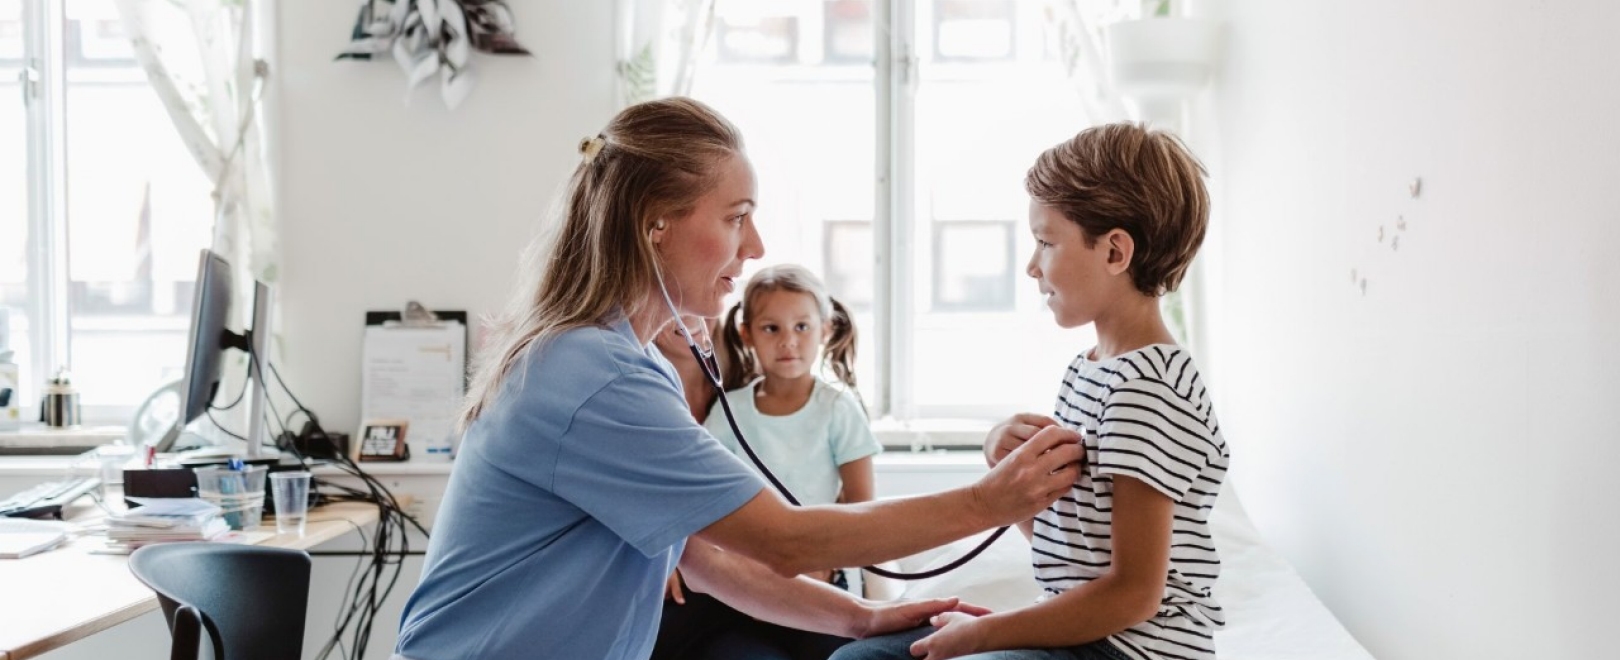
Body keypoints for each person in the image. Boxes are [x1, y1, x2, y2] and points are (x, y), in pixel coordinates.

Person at [392, 96, 1084, 660]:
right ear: (653, 225)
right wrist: (990, 501)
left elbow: (699, 556)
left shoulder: (626, 363)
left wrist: (859, 617)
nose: (753, 248)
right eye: (736, 218)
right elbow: (786, 540)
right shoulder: (592, 376)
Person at [830, 123, 1230, 660]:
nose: (1032, 265)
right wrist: (1007, 470)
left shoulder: (1148, 391)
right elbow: (1069, 549)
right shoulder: (1091, 371)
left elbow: (1134, 594)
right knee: (861, 657)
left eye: (1046, 241)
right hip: (1087, 633)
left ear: (1115, 252)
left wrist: (987, 634)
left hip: (1130, 650)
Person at [654, 265, 883, 660]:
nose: (788, 343)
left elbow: (864, 509)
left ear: (826, 330)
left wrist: (825, 561)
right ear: (747, 334)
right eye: (771, 329)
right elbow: (696, 497)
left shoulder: (838, 410)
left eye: (802, 327)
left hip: (822, 586)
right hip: (743, 592)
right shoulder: (731, 411)